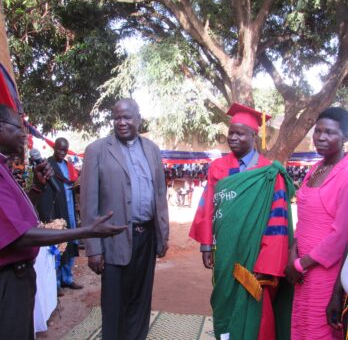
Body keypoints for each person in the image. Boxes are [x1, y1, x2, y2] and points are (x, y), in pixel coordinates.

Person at [0, 104, 127, 340]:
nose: (24, 135)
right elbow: (21, 235)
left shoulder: (5, 168)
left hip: (20, 277)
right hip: (7, 280)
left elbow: (19, 215)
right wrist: (87, 230)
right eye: (18, 128)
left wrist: (37, 187)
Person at [189, 102, 295, 340]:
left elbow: (277, 222)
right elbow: (208, 206)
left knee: (256, 309)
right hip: (225, 251)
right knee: (224, 301)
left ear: (254, 136)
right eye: (231, 133)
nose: (233, 138)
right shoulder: (218, 168)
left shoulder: (268, 173)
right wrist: (206, 243)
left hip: (255, 255)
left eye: (240, 133)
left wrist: (267, 264)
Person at [80, 98, 169, 340]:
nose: (122, 122)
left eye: (127, 117)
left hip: (146, 237)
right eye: (117, 117)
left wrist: (162, 234)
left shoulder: (151, 149)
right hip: (113, 240)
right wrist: (93, 249)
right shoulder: (97, 150)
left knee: (141, 300)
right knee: (114, 303)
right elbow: (89, 202)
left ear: (138, 118)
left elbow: (160, 194)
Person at [285, 107, 348, 339]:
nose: (321, 137)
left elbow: (340, 236)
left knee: (318, 330)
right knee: (301, 326)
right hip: (302, 270)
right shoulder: (315, 168)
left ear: (345, 138)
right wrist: (293, 254)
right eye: (317, 131)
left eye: (329, 132)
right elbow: (303, 219)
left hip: (325, 272)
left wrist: (301, 264)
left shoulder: (346, 174)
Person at [35, 137, 82, 296]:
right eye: (59, 149)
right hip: (57, 211)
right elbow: (45, 192)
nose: (62, 153)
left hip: (69, 208)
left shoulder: (68, 165)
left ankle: (67, 279)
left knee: (71, 243)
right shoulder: (48, 165)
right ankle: (55, 283)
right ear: (54, 148)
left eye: (64, 150)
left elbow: (72, 182)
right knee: (58, 246)